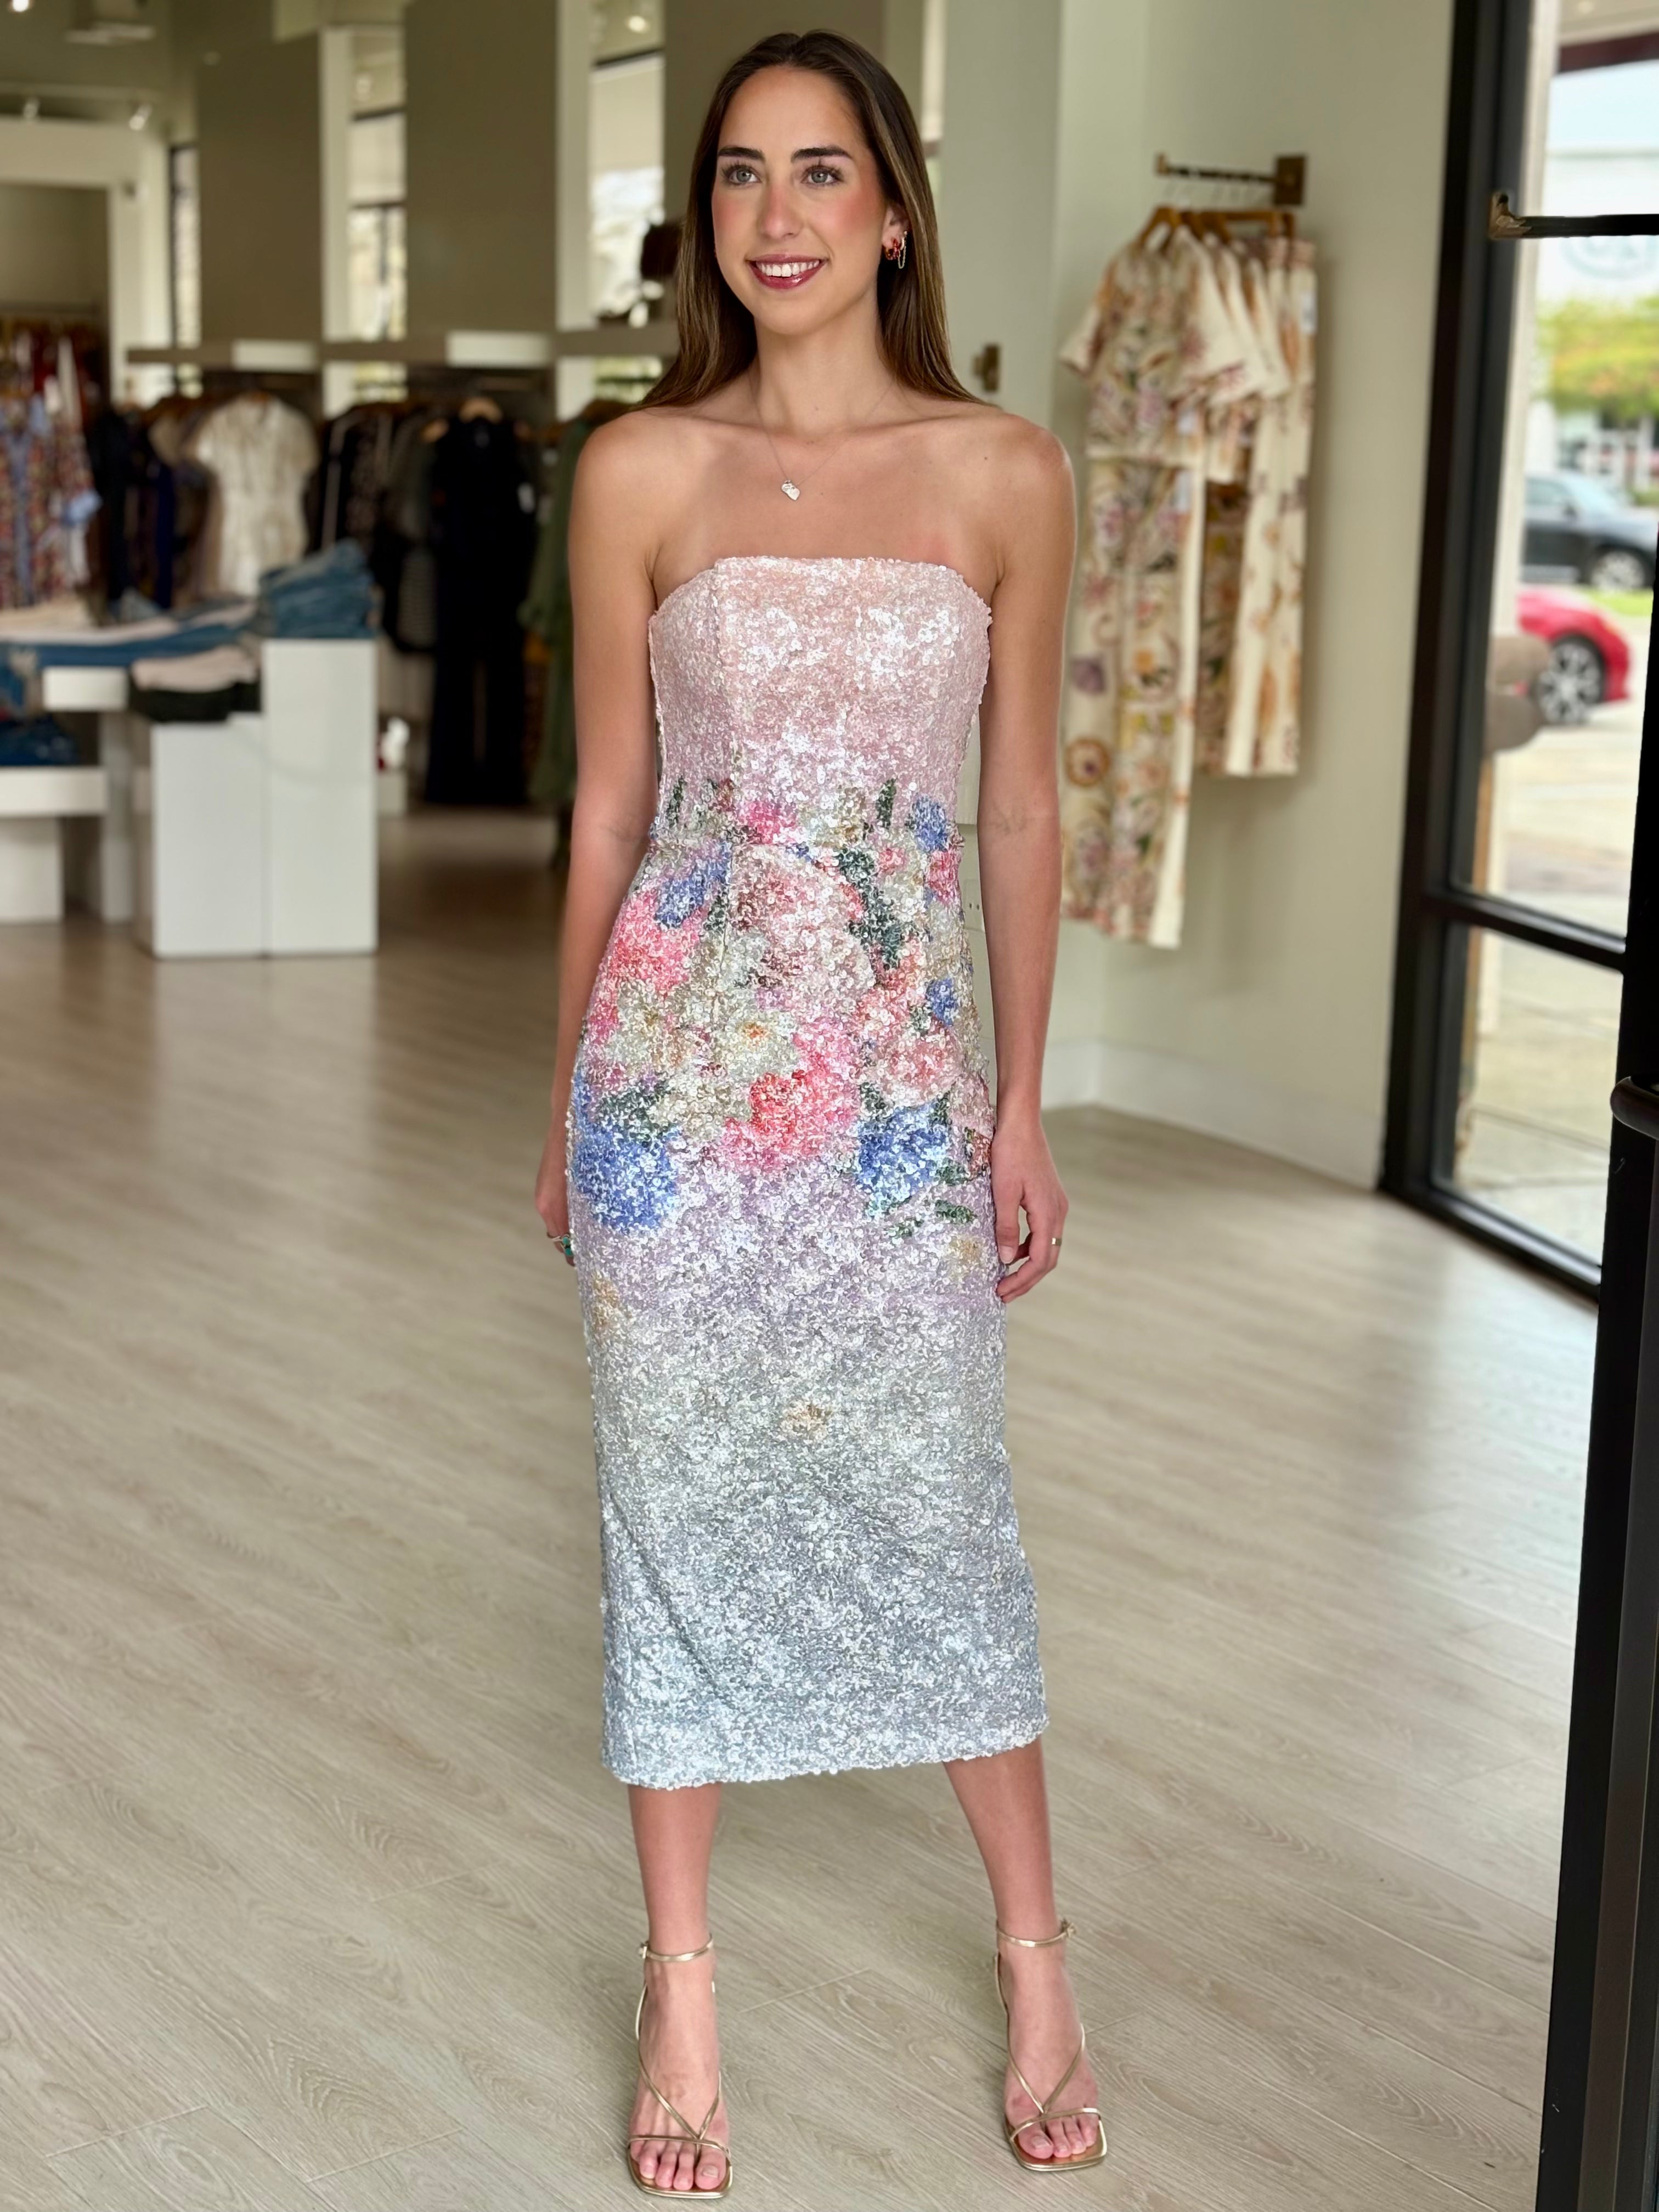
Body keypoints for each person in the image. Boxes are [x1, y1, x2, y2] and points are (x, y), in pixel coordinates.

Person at [533, 29, 1098, 2196]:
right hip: (673, 1095)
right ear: (708, 218)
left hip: (894, 1106)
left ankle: (1036, 1958)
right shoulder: (637, 471)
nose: (779, 217)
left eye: (823, 172)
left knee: (940, 1501)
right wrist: (565, 1113)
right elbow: (608, 815)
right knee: (668, 1507)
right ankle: (681, 1984)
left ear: (894, 210)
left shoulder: (1004, 472)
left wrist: (1021, 1106)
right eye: (742, 175)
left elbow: (1017, 812)